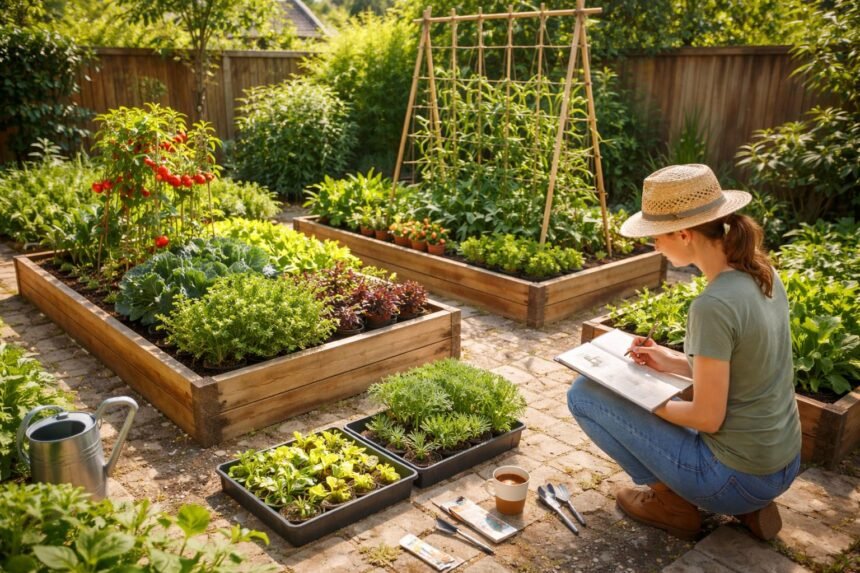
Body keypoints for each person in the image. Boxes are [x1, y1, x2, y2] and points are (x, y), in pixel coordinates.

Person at [567, 164, 801, 541]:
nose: (654, 246)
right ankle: (750, 508)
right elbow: (745, 369)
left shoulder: (713, 305)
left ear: (683, 233)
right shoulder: (762, 274)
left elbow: (707, 417)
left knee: (584, 395)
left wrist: (643, 400)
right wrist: (671, 361)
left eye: (656, 236)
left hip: (733, 476)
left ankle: (672, 504)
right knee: (662, 398)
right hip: (782, 463)